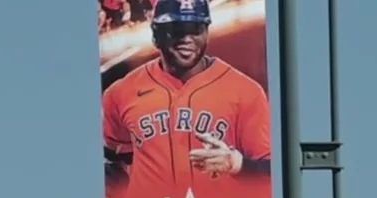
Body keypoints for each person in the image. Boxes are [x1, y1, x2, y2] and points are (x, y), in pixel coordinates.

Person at [101, 0, 274, 187]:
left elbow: (271, 169)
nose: (187, 38)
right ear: (155, 35)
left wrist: (237, 164)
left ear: (207, 33)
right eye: (177, 29)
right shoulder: (121, 93)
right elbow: (114, 162)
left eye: (196, 29)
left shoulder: (246, 92)